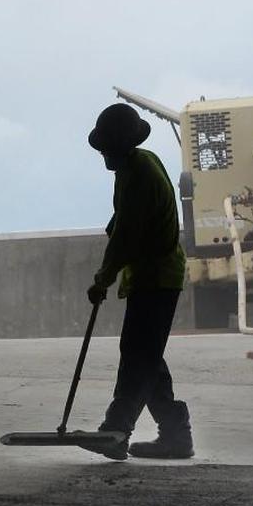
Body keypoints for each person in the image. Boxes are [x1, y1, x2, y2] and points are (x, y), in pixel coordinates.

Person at [82, 103, 191, 460]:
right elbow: (123, 219)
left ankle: (116, 429)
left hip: (157, 276)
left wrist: (103, 279)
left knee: (138, 356)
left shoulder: (138, 173)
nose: (103, 157)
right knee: (146, 355)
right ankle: (176, 435)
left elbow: (126, 235)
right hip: (154, 275)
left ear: (120, 146)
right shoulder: (140, 164)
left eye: (106, 150)